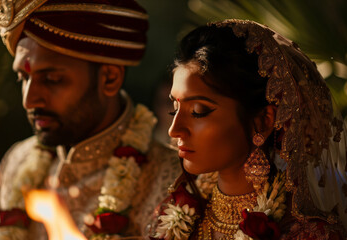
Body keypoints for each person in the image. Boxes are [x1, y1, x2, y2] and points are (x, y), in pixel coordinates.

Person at [0, 0, 181, 239]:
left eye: (52, 79)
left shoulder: (172, 183)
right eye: (23, 78)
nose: (29, 100)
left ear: (109, 78)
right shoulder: (17, 162)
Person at [148, 19, 347, 240]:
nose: (174, 130)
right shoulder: (171, 217)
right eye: (174, 109)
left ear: (263, 121)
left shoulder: (306, 234)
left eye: (198, 111)